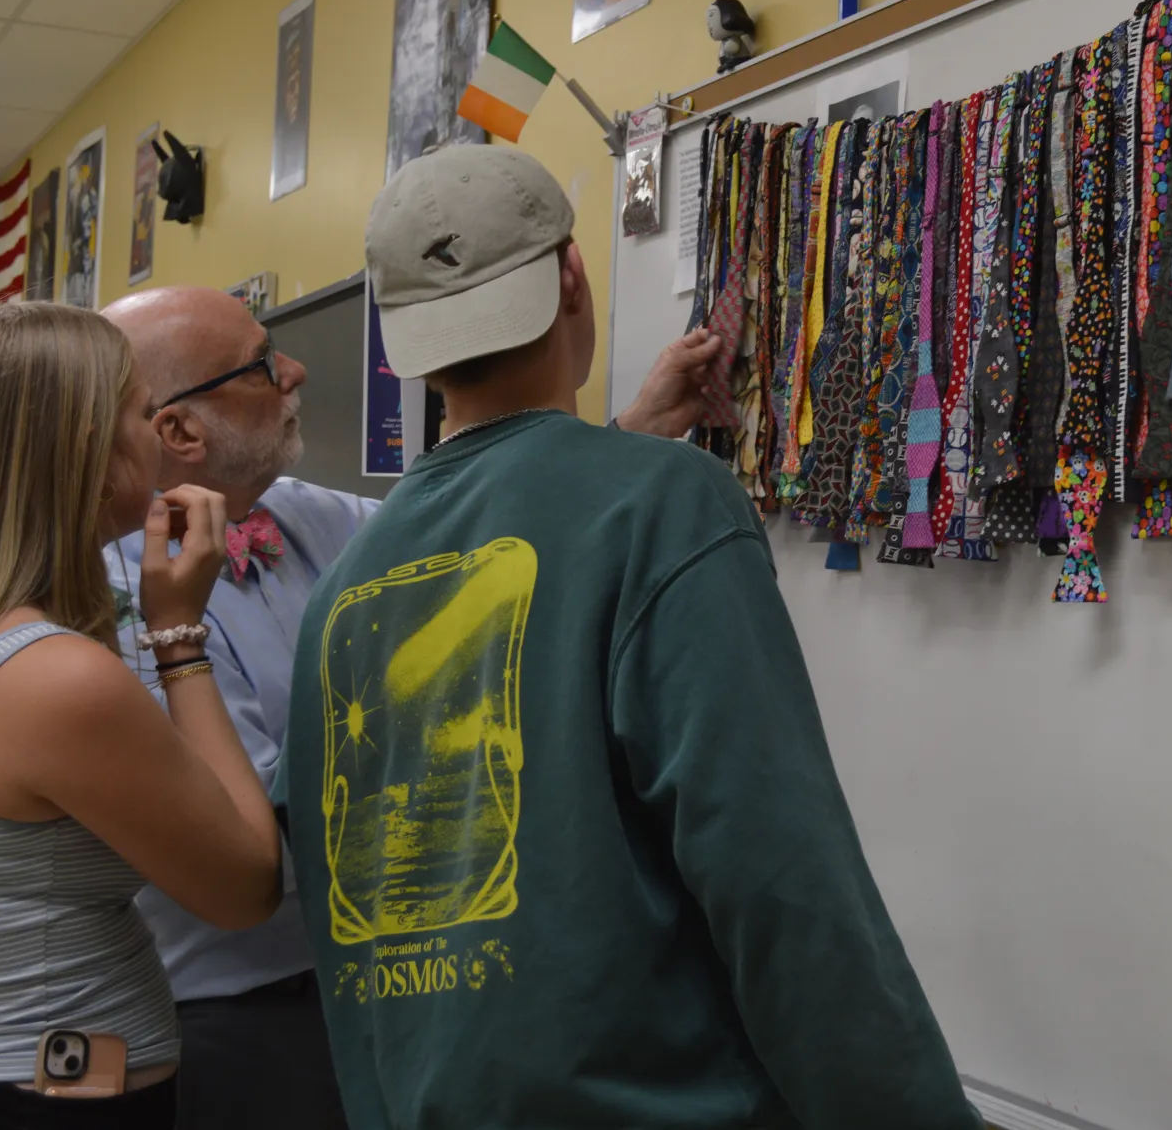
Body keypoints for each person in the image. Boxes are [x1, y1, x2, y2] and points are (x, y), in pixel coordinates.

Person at [282, 143, 980, 1130]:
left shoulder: (343, 589)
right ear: (572, 273)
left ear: (401, 338)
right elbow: (778, 875)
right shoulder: (665, 504)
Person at [99, 283, 720, 1129]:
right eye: (259, 364)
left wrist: (632, 436)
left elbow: (480, 539)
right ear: (180, 431)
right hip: (248, 1026)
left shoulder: (306, 515)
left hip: (393, 987)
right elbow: (269, 847)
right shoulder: (116, 603)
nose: (296, 368)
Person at [0, 303, 277, 1128]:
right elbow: (245, 884)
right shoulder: (55, 678)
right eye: (141, 413)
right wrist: (179, 634)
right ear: (83, 449)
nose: (157, 435)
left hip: (0, 1097)